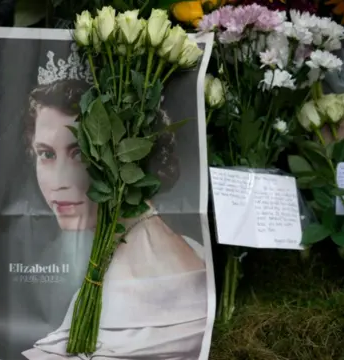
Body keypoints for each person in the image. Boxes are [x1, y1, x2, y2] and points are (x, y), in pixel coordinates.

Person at [20, 54, 208, 359]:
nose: (59, 182)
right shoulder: (188, 248)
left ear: (123, 154)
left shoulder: (126, 282)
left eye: (80, 153)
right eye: (46, 154)